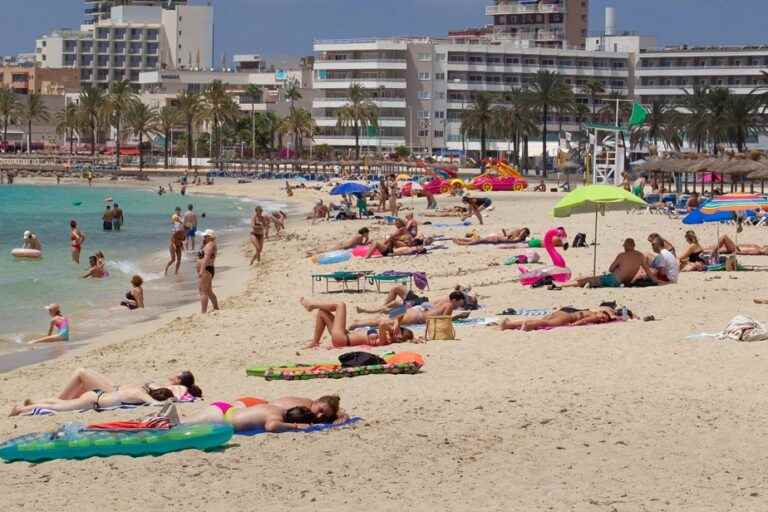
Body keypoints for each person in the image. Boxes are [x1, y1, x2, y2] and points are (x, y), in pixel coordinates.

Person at [183, 395, 345, 432]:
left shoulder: (282, 411)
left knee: (184, 424)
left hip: (232, 409)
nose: (319, 417)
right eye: (321, 411)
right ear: (316, 402)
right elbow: (272, 425)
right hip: (221, 415)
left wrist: (341, 415)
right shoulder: (305, 405)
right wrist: (296, 426)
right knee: (180, 426)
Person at [300, 299, 415, 348]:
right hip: (344, 335)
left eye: (400, 332)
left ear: (399, 337)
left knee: (341, 305)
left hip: (343, 339)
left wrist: (393, 328)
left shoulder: (385, 341)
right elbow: (402, 310)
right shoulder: (389, 334)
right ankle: (315, 342)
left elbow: (382, 324)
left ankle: (312, 305)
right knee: (322, 313)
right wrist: (396, 323)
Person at [9, 385, 176, 417]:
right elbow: (155, 404)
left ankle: (31, 404)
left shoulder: (140, 389)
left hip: (97, 395)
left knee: (59, 402)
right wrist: (172, 400)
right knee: (60, 408)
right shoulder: (142, 396)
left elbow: (151, 386)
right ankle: (21, 409)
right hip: (93, 401)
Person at [54, 368, 201, 401]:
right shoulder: (170, 386)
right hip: (116, 388)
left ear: (179, 380)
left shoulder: (179, 388)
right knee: (84, 382)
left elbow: (180, 395)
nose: (175, 371)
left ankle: (58, 401)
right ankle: (58, 401)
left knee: (82, 373)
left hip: (113, 392)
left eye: (179, 373)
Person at [564, 238, 659, 288]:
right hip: (625, 282)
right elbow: (648, 271)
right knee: (591, 279)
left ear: (625, 246)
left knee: (584, 280)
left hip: (614, 279)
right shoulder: (640, 255)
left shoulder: (622, 255)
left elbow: (611, 269)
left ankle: (562, 285)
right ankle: (574, 281)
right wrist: (657, 281)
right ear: (634, 246)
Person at [348, 291, 466, 329]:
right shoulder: (449, 306)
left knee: (387, 316)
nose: (463, 303)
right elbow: (444, 322)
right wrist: (459, 317)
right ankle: (357, 323)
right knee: (384, 321)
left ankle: (359, 320)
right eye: (462, 301)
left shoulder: (444, 302)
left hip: (413, 310)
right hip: (416, 316)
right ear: (455, 300)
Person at [355, 285, 468, 315]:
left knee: (393, 306)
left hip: (419, 304)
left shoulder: (450, 303)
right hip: (419, 302)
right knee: (396, 290)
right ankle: (382, 309)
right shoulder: (449, 303)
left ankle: (370, 310)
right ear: (455, 300)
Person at [500, 306, 619, 331]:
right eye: (604, 317)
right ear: (601, 312)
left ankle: (511, 324)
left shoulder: (591, 310)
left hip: (564, 310)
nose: (603, 320)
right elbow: (585, 320)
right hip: (567, 316)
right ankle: (510, 325)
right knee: (546, 323)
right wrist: (576, 324)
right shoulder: (594, 316)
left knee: (543, 320)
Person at [198, 229, 219, 313]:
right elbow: (201, 256)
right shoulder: (207, 244)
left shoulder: (210, 245)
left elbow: (206, 258)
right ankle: (216, 307)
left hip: (206, 269)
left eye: (205, 236)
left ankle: (203, 311)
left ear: (210, 237)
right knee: (208, 291)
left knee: (203, 291)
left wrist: (201, 270)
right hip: (207, 269)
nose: (203, 237)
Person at [452, 228, 530, 246]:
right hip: (497, 238)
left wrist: (519, 233)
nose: (521, 231)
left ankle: (461, 243)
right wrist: (505, 233)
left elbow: (514, 239)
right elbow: (507, 236)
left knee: (478, 241)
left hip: (497, 240)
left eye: (523, 232)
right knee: (478, 240)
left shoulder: (520, 238)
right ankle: (461, 240)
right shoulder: (517, 235)